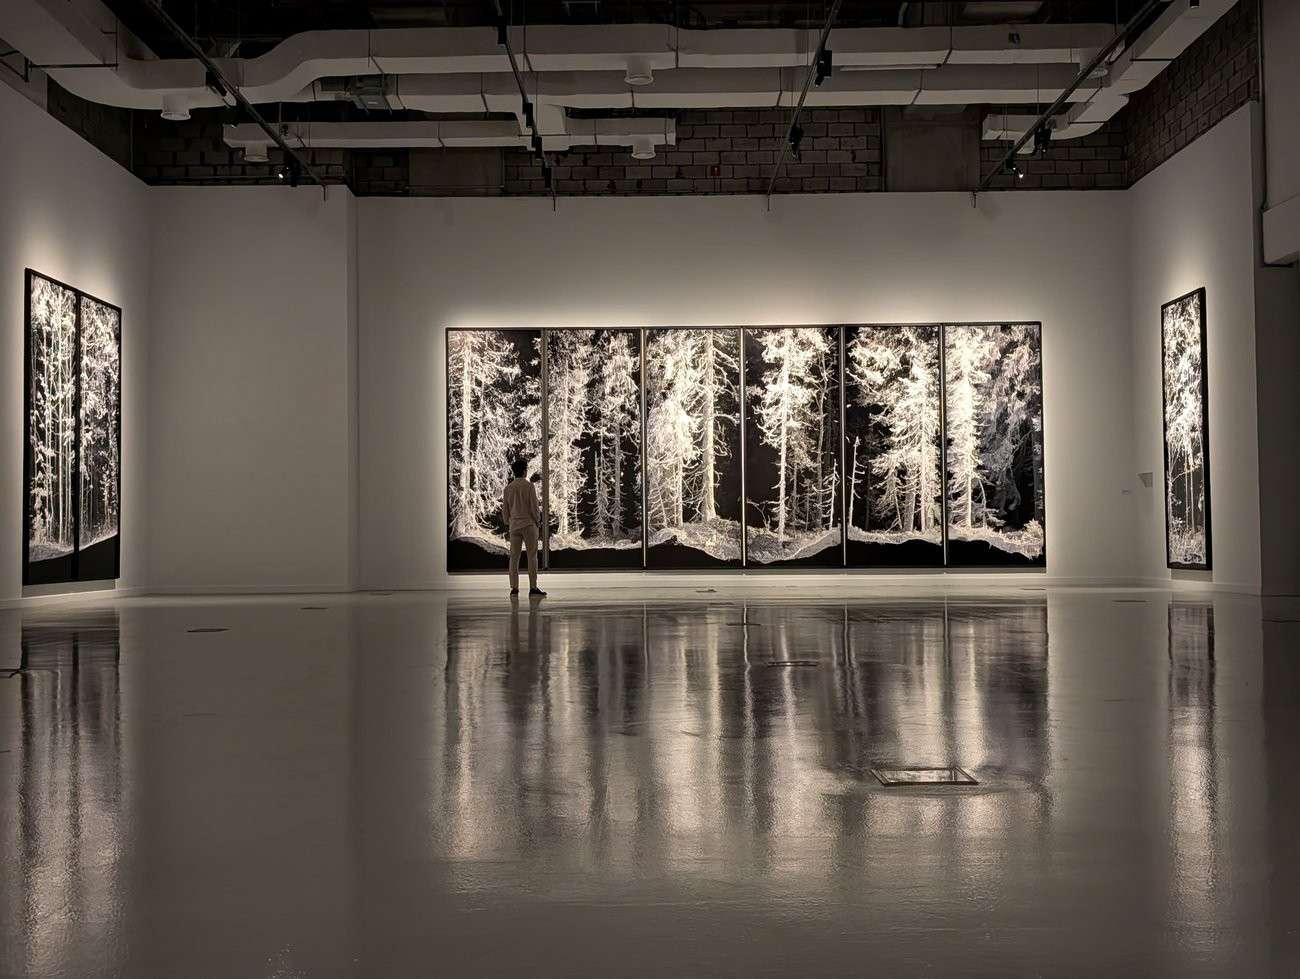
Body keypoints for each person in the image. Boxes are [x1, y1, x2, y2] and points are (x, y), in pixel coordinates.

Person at [502, 459, 546, 597]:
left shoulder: (508, 488)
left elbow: (505, 510)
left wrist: (507, 522)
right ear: (524, 470)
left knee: (514, 558)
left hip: (514, 526)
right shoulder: (529, 486)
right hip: (528, 525)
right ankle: (533, 588)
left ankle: (514, 588)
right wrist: (538, 521)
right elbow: (534, 507)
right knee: (532, 556)